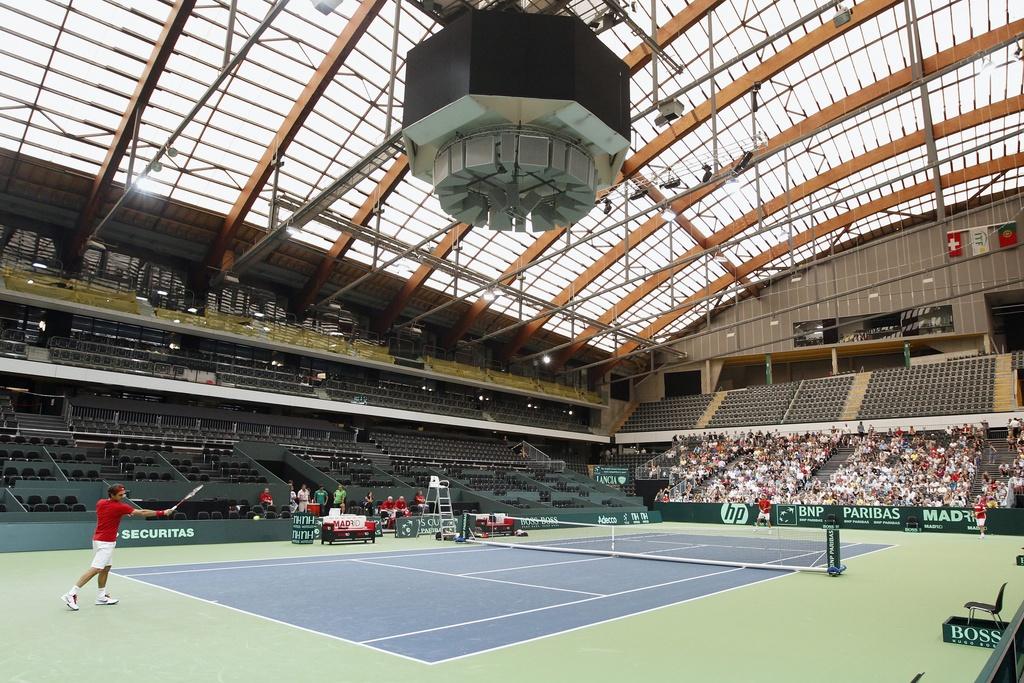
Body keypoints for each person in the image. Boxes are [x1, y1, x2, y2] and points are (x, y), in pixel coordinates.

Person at [61, 484, 174, 611]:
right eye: (120, 495)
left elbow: (111, 513)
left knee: (106, 568)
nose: (123, 496)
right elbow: (142, 512)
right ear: (112, 495)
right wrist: (163, 512)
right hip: (105, 542)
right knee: (96, 569)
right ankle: (70, 594)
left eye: (124, 494)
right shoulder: (121, 507)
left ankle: (101, 597)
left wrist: (124, 512)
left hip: (98, 539)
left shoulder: (101, 502)